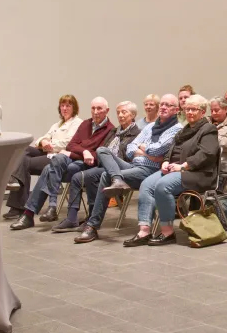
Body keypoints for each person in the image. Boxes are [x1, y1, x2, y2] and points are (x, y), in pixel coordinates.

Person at [73, 94, 182, 243]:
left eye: (167, 105)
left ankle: (92, 227)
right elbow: (130, 148)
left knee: (105, 175)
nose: (163, 107)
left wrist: (143, 149)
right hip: (133, 165)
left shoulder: (176, 129)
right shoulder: (150, 127)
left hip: (150, 171)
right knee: (102, 150)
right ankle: (117, 179)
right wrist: (146, 151)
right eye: (162, 104)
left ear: (176, 110)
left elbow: (158, 151)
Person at [125, 95, 219, 247]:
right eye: (187, 109)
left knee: (163, 186)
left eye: (193, 109)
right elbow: (172, 149)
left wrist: (184, 166)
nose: (189, 112)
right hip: (175, 169)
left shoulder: (208, 129)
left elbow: (206, 154)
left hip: (198, 173)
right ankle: (144, 230)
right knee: (147, 184)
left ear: (202, 112)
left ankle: (168, 232)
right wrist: (166, 161)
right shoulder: (184, 129)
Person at [9, 97, 115, 229]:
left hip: (86, 165)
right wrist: (84, 152)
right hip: (73, 160)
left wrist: (78, 153)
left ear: (107, 110)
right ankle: (43, 209)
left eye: (99, 108)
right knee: (57, 160)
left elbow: (98, 156)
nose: (95, 111)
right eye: (93, 108)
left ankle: (31, 213)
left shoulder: (110, 130)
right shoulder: (86, 124)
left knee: (48, 169)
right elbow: (72, 144)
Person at [50, 101, 142, 232]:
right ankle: (71, 218)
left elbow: (128, 155)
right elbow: (100, 150)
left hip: (120, 167)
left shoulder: (137, 133)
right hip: (102, 164)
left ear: (133, 115)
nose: (120, 115)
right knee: (76, 176)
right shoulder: (115, 131)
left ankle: (91, 218)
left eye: (124, 112)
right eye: (118, 112)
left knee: (88, 176)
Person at [3, 95, 83, 220]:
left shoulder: (77, 123)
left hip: (59, 157)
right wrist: (43, 142)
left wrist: (49, 145)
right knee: (23, 151)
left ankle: (17, 205)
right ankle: (15, 184)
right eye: (62, 106)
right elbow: (41, 138)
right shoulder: (57, 124)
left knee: (25, 163)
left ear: (74, 108)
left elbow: (68, 144)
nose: (65, 108)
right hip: (48, 152)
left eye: (68, 105)